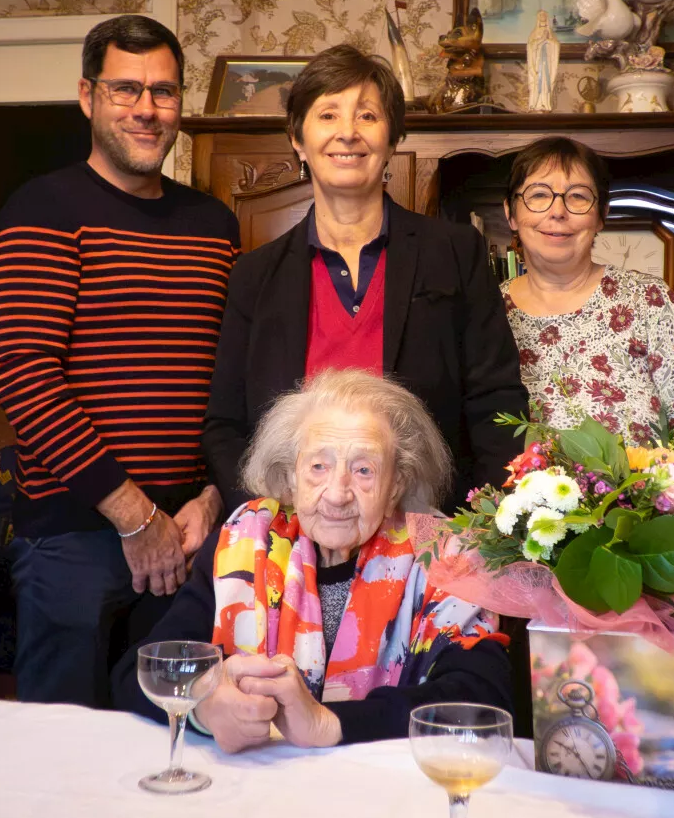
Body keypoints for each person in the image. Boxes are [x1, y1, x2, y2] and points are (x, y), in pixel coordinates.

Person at [0, 15, 240, 707]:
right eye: (126, 89)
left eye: (164, 91)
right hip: (74, 536)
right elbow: (23, 376)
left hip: (188, 536)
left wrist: (210, 498)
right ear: (88, 96)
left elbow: (229, 377)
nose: (147, 109)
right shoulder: (41, 209)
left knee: (175, 735)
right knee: (63, 749)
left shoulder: (214, 223)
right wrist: (134, 517)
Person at [202, 44, 526, 516]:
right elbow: (225, 426)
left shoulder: (455, 252)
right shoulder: (254, 275)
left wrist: (479, 525)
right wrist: (269, 513)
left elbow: (496, 401)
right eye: (328, 115)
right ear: (298, 138)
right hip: (294, 532)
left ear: (393, 137)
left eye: (367, 116)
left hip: (430, 531)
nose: (347, 133)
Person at [113, 369, 513, 749]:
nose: (338, 493)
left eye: (364, 470)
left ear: (397, 485)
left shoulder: (445, 556)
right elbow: (140, 670)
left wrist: (327, 723)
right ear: (290, 477)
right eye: (318, 466)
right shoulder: (245, 542)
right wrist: (202, 705)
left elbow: (483, 700)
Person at [501, 137, 674, 443]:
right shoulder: (487, 311)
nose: (558, 211)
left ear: (601, 215)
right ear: (511, 214)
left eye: (577, 196)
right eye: (538, 195)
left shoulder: (649, 303)